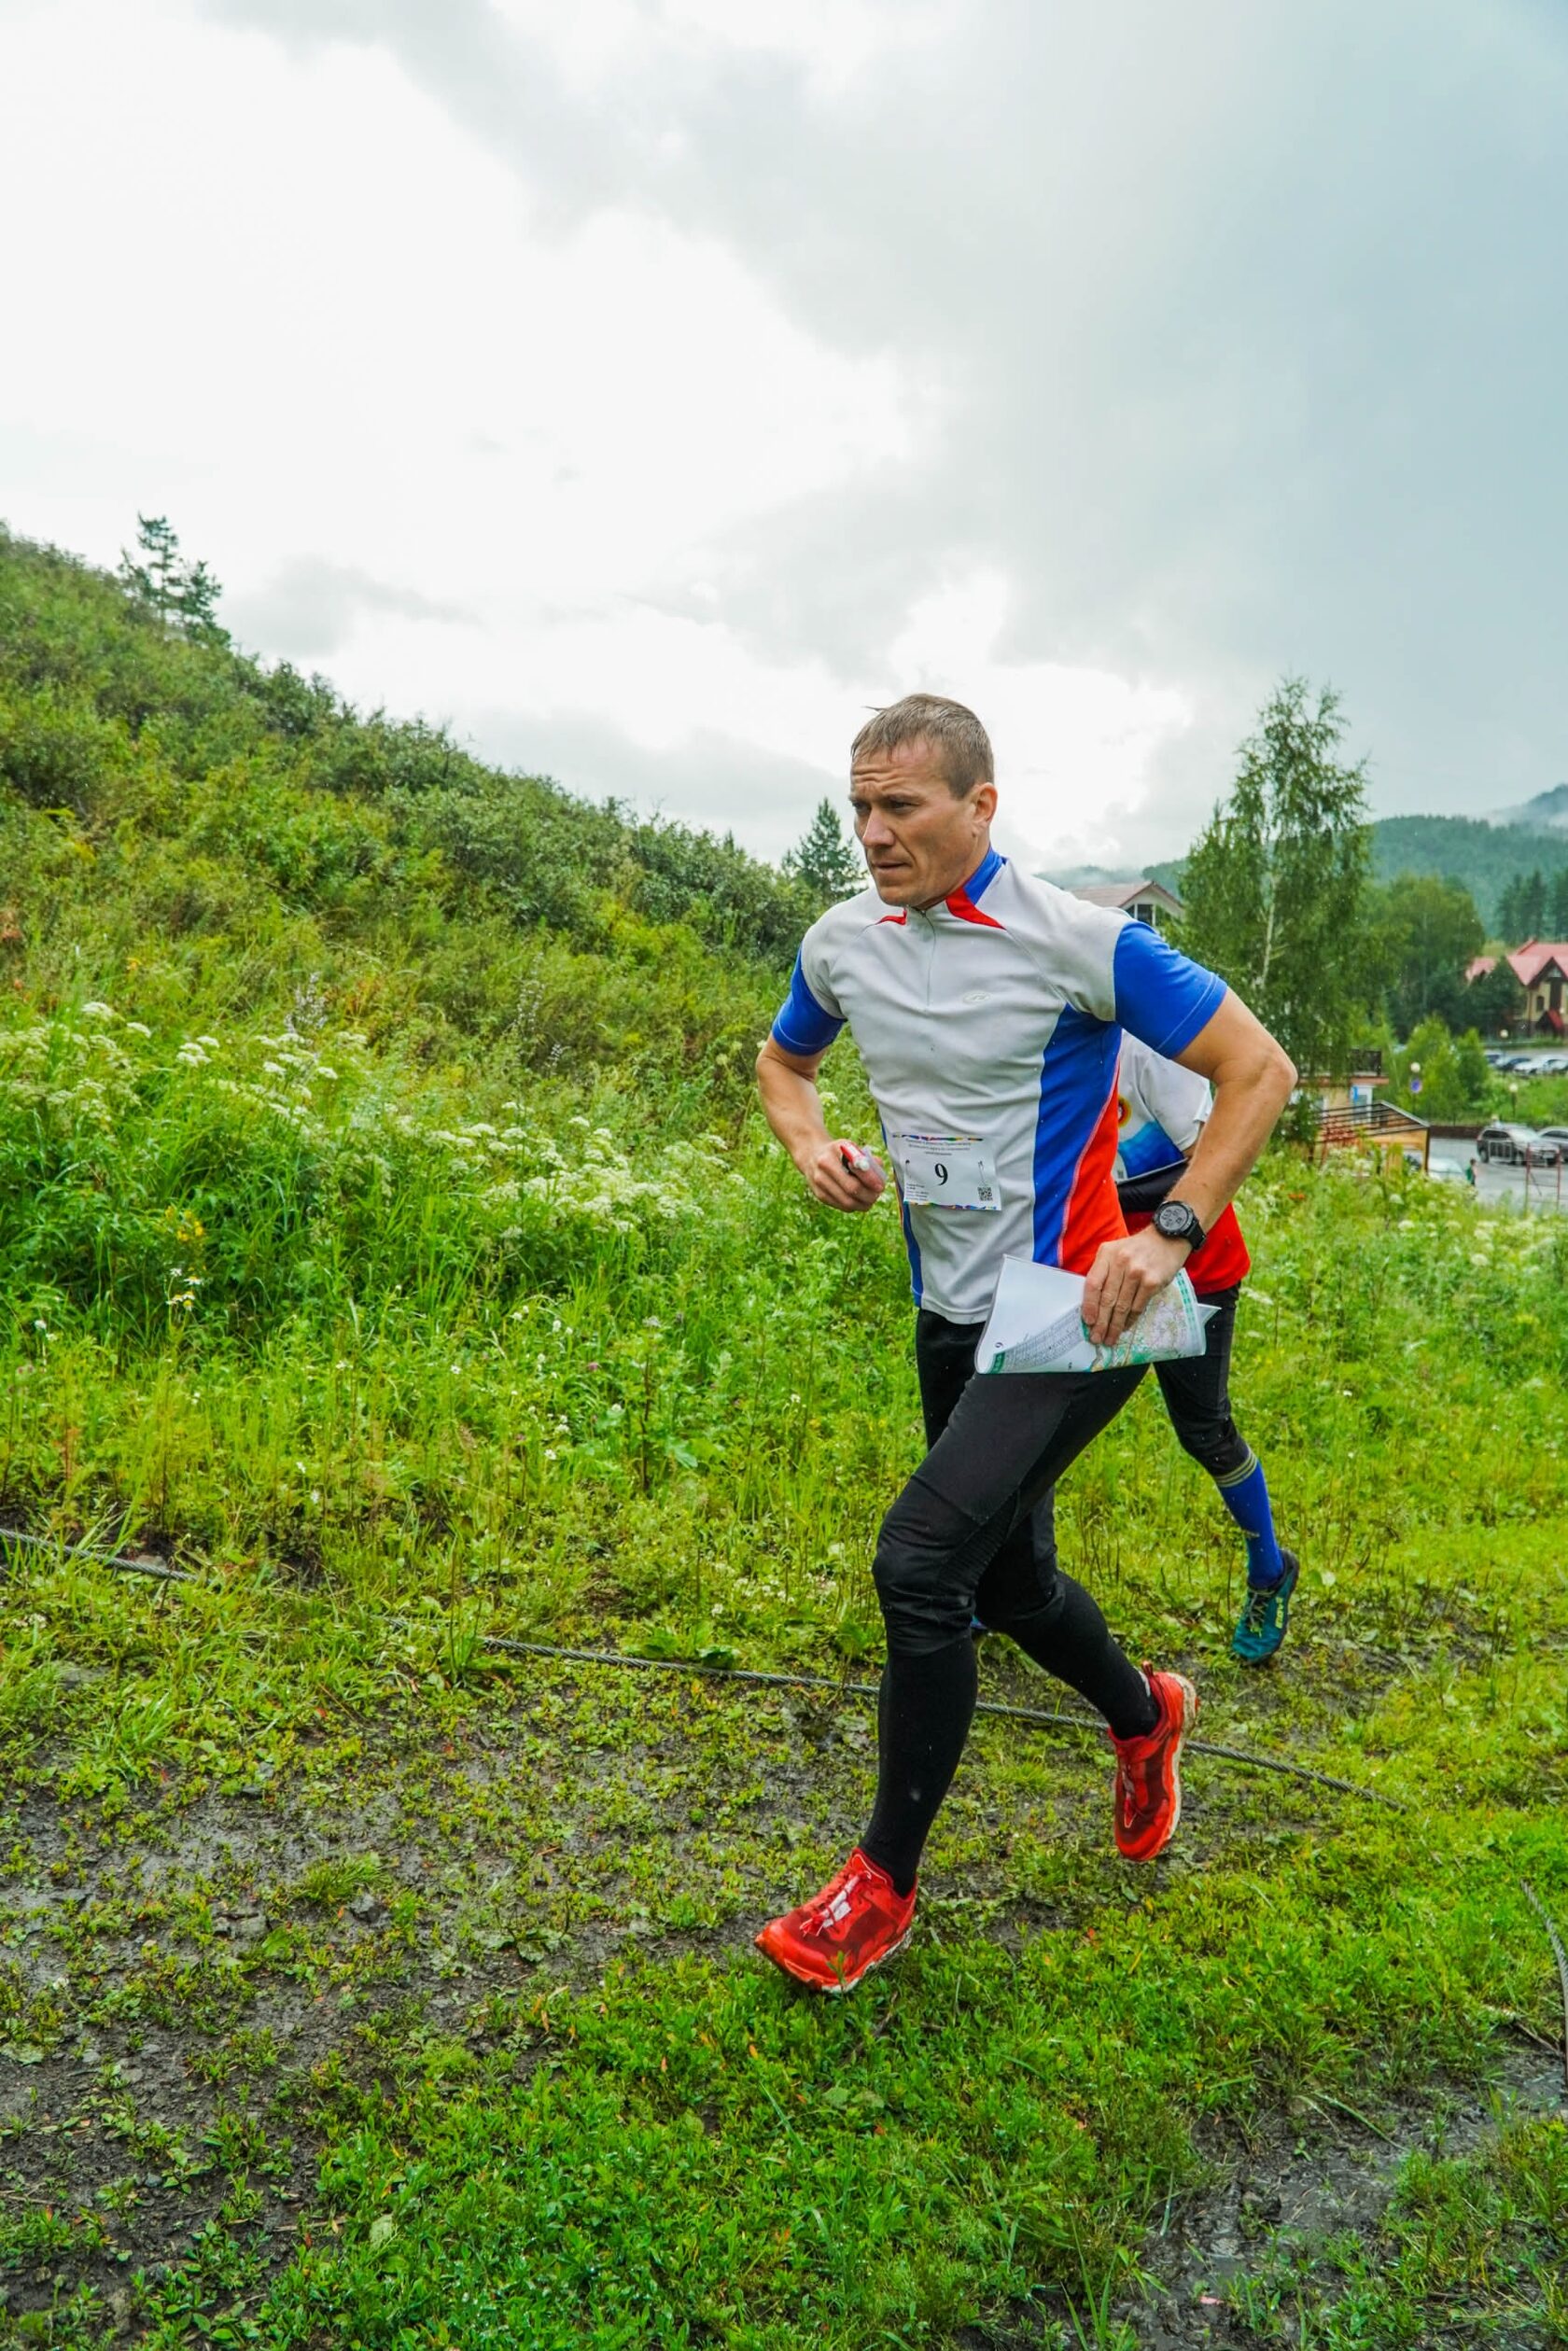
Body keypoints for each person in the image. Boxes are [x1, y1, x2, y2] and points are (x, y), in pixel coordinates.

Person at [752, 693, 1296, 1994]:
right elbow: (783, 1063)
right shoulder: (840, 944)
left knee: (920, 1561)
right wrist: (812, 1143)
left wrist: (1168, 1232)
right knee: (1006, 1583)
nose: (874, 832)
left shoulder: (1078, 939)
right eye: (860, 807)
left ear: (980, 805)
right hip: (951, 1314)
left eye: (902, 805)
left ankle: (880, 1884)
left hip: (1070, 1312)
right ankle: (1147, 1713)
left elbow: (1261, 1069)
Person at [1109, 1035, 1297, 1662]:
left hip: (1194, 1265)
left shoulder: (1143, 1045)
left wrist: (1118, 1202)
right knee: (1043, 1421)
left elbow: (1211, 1159)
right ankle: (1000, 1580)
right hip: (1102, 1261)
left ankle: (1269, 1570)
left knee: (1204, 1431)